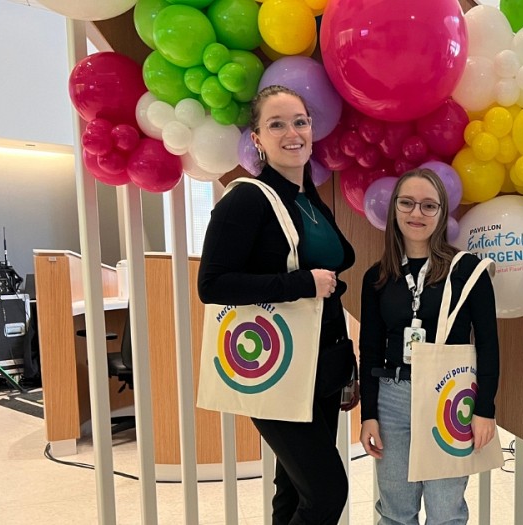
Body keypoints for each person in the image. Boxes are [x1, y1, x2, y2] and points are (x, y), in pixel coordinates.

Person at [198, 85, 358, 525]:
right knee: (327, 493)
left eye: (300, 122)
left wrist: (345, 359)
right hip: (279, 366)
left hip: (322, 365)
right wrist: (301, 283)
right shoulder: (246, 198)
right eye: (277, 124)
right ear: (257, 138)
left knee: (294, 489)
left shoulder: (309, 199)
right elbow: (213, 285)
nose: (292, 133)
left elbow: (329, 281)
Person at [358, 168, 499, 525]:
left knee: (445, 513)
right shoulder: (377, 276)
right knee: (395, 513)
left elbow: (488, 344)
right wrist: (368, 414)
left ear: (442, 212)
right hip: (392, 400)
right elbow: (370, 349)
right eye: (407, 203)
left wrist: (485, 409)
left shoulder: (468, 271)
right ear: (394, 209)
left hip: (447, 397)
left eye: (428, 205)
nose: (416, 213)